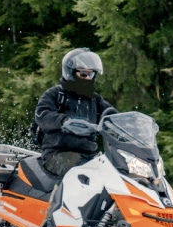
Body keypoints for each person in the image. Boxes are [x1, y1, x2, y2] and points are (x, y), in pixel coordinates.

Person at [33, 47, 117, 177]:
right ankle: (58, 196)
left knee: (112, 175)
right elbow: (42, 114)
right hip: (58, 153)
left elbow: (112, 115)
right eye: (84, 74)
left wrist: (126, 124)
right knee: (79, 174)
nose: (88, 78)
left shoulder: (94, 100)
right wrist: (64, 121)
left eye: (91, 74)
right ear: (70, 72)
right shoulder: (56, 94)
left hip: (89, 155)